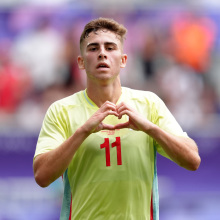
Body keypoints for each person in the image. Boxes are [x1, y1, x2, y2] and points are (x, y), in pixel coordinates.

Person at [33, 17, 201, 220]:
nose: (102, 53)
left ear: (123, 60)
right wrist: (83, 131)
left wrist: (150, 128)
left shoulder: (149, 104)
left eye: (110, 47)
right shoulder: (61, 110)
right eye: (93, 48)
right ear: (81, 62)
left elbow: (192, 160)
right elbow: (42, 176)